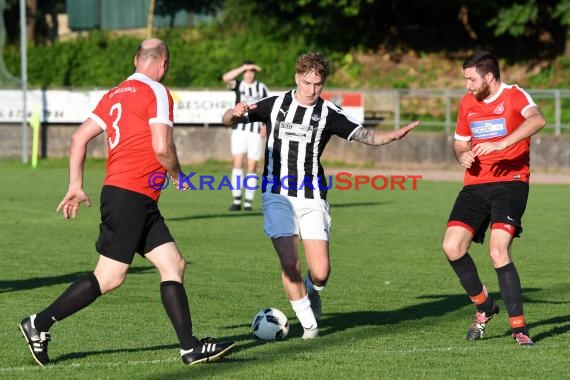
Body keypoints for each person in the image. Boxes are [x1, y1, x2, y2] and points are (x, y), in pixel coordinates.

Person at [19, 38, 235, 367]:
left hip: (134, 197)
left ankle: (190, 347)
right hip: (130, 195)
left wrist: (76, 185)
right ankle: (38, 324)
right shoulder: (157, 91)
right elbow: (162, 146)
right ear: (164, 64)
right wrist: (177, 174)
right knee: (109, 277)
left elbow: (78, 139)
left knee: (173, 264)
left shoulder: (116, 93)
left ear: (137, 60)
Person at [222, 52, 419, 339]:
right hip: (276, 193)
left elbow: (365, 135)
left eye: (318, 84)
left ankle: (311, 290)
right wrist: (234, 112)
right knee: (289, 262)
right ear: (297, 78)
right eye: (307, 82)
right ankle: (309, 327)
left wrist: (392, 135)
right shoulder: (274, 104)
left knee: (321, 272)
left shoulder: (328, 113)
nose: (312, 89)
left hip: (312, 196)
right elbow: (227, 120)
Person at [442, 50, 546, 346]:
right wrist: (462, 155)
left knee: (498, 250)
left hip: (510, 183)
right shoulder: (467, 103)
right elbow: (460, 142)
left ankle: (519, 328)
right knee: (452, 247)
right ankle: (485, 307)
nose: (467, 85)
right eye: (465, 79)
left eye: (471, 79)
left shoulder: (515, 95)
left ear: (489, 76)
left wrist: (502, 143)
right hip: (475, 185)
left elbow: (538, 120)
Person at [222, 60, 269, 211]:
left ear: (255, 73)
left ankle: (248, 202)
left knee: (252, 165)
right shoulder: (239, 85)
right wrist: (243, 67)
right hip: (239, 130)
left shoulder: (261, 87)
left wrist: (265, 126)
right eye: (246, 71)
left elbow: (267, 107)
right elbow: (225, 78)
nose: (249, 74)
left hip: (255, 130)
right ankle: (236, 200)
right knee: (238, 163)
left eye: (251, 71)